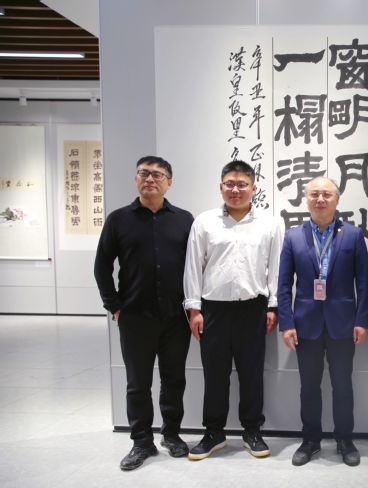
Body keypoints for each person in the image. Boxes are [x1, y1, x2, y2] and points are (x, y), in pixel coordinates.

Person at [94, 156, 194, 470]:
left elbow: (195, 267)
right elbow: (102, 265)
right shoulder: (118, 219)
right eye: (144, 173)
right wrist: (114, 305)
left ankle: (172, 435)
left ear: (169, 182)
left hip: (176, 317)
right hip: (135, 317)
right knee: (137, 383)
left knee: (174, 379)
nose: (150, 179)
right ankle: (141, 442)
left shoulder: (184, 220)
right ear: (136, 179)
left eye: (158, 175)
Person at [182, 160, 283, 460]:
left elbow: (276, 267)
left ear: (253, 188)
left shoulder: (270, 223)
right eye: (230, 184)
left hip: (253, 309)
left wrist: (273, 306)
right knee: (215, 375)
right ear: (221, 187)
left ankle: (252, 431)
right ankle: (214, 433)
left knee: (252, 374)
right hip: (213, 310)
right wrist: (193, 308)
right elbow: (193, 266)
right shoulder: (204, 222)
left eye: (242, 184)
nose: (235, 190)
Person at [277, 177, 368, 467]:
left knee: (343, 385)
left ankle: (344, 439)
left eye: (326, 194)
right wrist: (287, 323)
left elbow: (364, 282)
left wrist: (362, 320)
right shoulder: (293, 236)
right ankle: (310, 440)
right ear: (306, 199)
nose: (320, 199)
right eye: (314, 194)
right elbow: (283, 284)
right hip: (306, 325)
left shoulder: (353, 235)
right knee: (309, 386)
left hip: (343, 324)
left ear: (337, 200)